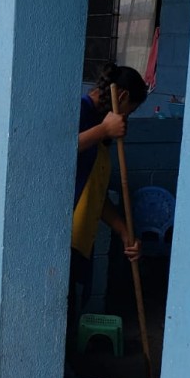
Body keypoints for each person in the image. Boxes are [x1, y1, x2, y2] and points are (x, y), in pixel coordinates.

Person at [68, 63, 148, 347]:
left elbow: (96, 195)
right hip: (61, 238)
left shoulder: (103, 125)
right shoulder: (81, 112)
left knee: (70, 311)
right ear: (122, 96)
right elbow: (61, 149)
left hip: (80, 240)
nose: (127, 119)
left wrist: (124, 230)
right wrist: (104, 129)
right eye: (131, 110)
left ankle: (70, 374)